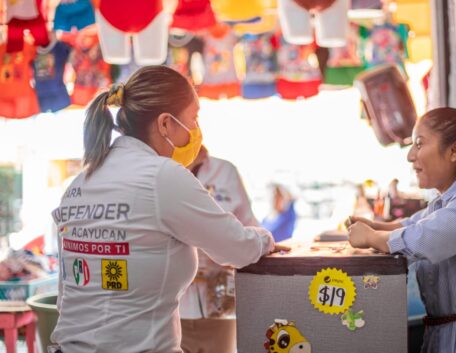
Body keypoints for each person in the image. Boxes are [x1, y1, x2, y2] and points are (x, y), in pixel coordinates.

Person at [50, 65, 285, 353]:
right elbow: (236, 248)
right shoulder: (162, 176)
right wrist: (266, 239)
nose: (197, 130)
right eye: (194, 118)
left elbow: (67, 292)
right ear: (165, 124)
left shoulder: (79, 183)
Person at [347, 107, 456, 352]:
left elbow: (426, 237)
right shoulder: (447, 201)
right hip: (446, 336)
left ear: (454, 150)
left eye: (419, 144)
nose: (410, 156)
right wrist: (374, 226)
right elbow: (414, 224)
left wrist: (374, 237)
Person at [180, 145, 258, 353]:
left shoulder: (225, 172)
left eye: (194, 117)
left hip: (221, 299)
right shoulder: (164, 173)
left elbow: (249, 226)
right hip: (173, 304)